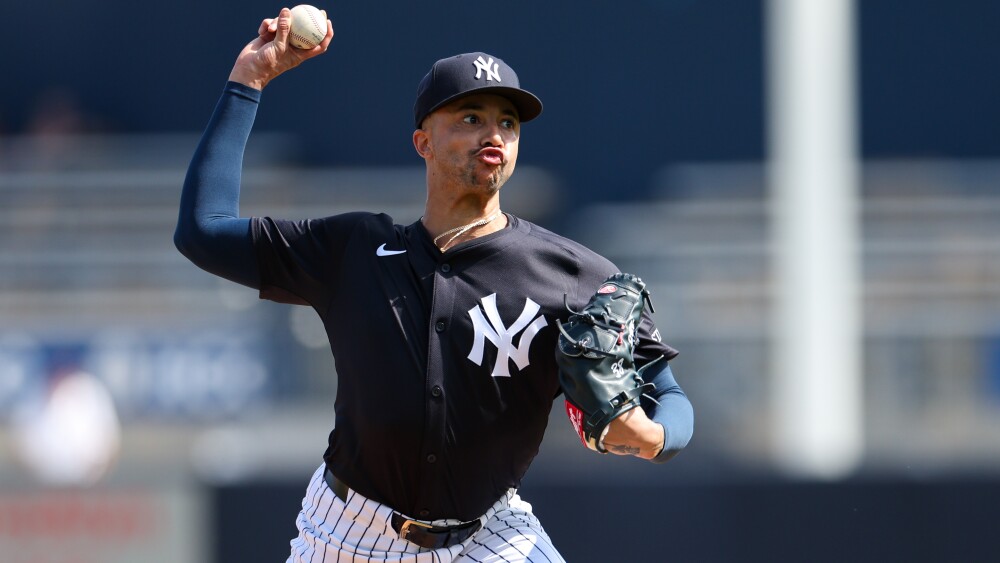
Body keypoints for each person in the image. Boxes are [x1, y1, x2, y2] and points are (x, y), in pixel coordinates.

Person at [174, 8, 694, 562]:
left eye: (508, 122)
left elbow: (669, 395)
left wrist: (657, 437)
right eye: (470, 117)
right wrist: (249, 80)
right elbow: (203, 232)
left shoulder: (571, 273)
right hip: (346, 532)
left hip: (491, 534)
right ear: (423, 141)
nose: (493, 133)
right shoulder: (354, 250)